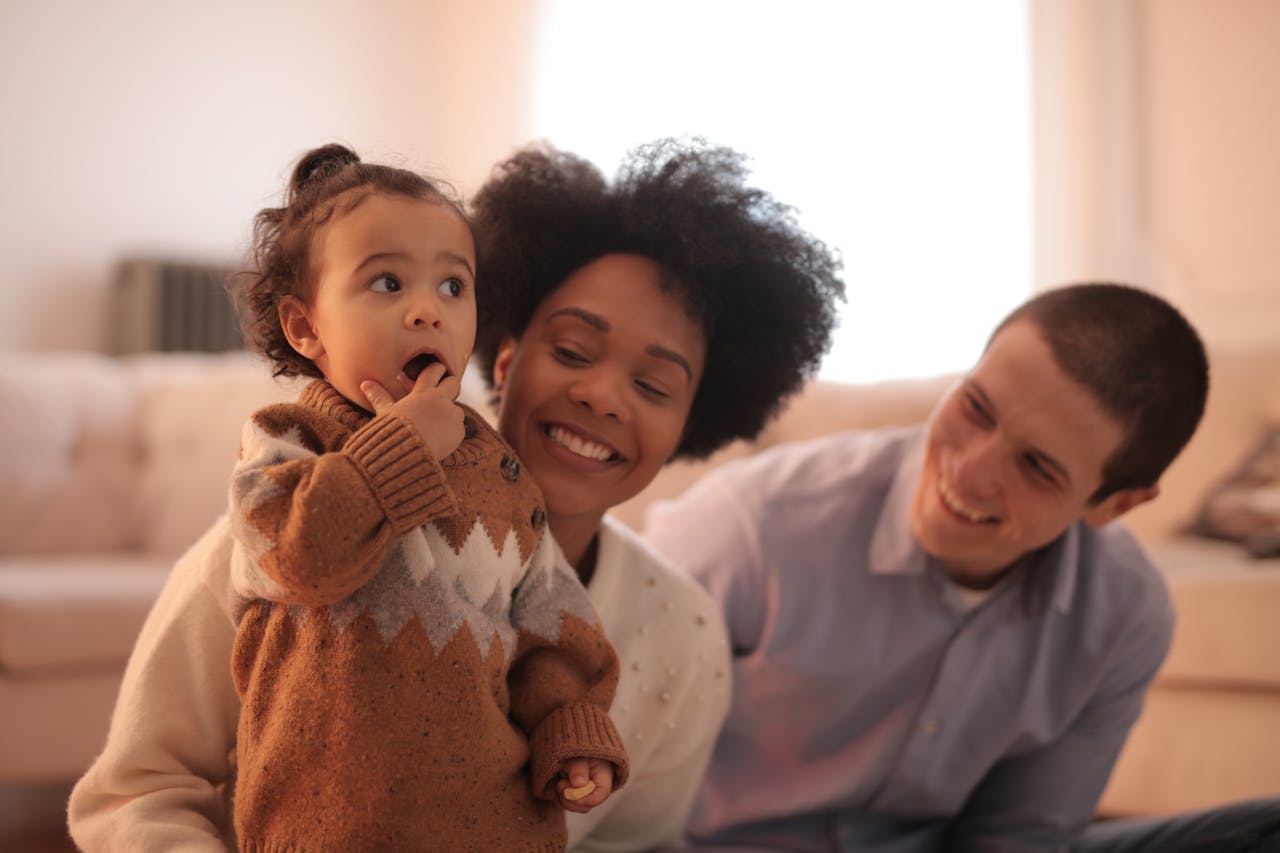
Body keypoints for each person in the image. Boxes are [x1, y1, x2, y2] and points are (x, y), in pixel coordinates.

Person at [66, 136, 846, 851]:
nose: (605, 396)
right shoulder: (276, 525)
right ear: (502, 358)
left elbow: (635, 842)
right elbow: (136, 791)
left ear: (690, 422)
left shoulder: (685, 633)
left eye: (652, 384)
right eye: (573, 349)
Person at [644, 282, 1231, 851]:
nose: (971, 471)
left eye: (1036, 467)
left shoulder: (1125, 614)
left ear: (1114, 505)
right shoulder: (750, 525)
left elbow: (1021, 837)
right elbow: (587, 768)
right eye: (977, 407)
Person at [220, 143, 630, 851]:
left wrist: (572, 731)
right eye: (386, 283)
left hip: (495, 824)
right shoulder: (287, 442)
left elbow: (551, 628)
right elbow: (298, 556)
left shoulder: (500, 474)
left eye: (452, 287)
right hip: (322, 825)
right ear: (304, 326)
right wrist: (400, 450)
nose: (426, 312)